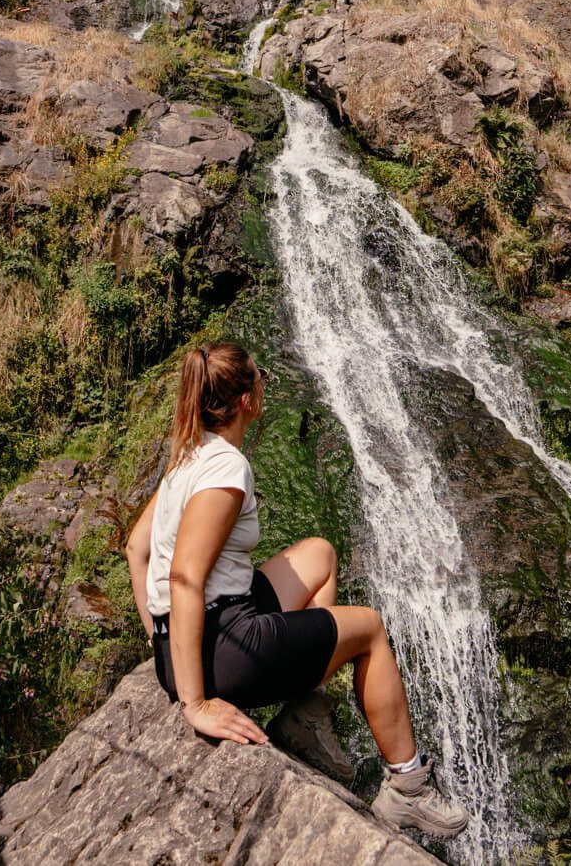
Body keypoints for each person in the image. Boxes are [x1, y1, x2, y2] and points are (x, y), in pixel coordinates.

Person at [125, 341, 468, 840]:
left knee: (319, 555)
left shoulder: (189, 458)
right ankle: (408, 788)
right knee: (369, 628)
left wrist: (164, 647)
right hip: (224, 647)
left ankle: (306, 714)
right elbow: (183, 576)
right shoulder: (225, 468)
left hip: (203, 636)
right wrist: (194, 701)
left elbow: (137, 550)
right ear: (247, 399)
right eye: (259, 377)